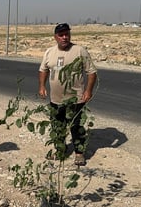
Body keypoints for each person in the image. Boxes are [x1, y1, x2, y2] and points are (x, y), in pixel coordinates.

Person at [38, 23, 97, 166]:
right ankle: (60, 150)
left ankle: (79, 153)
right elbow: (43, 70)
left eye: (67, 34)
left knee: (76, 126)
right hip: (56, 99)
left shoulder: (79, 51)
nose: (65, 37)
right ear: (55, 37)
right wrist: (41, 86)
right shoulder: (49, 52)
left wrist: (88, 91)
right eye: (61, 35)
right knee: (57, 125)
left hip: (76, 99)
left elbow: (91, 72)